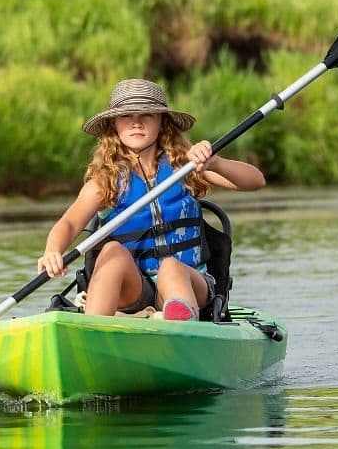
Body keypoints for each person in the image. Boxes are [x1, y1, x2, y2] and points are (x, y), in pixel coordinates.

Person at [37, 79, 265, 321]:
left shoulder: (186, 167)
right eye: (126, 116)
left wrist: (215, 162)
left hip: (189, 283)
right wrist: (53, 250)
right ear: (114, 126)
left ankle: (182, 327)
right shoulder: (105, 182)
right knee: (112, 251)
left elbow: (255, 181)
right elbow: (70, 223)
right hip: (133, 289)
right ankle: (92, 331)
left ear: (162, 122)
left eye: (147, 114)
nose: (136, 123)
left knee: (170, 267)